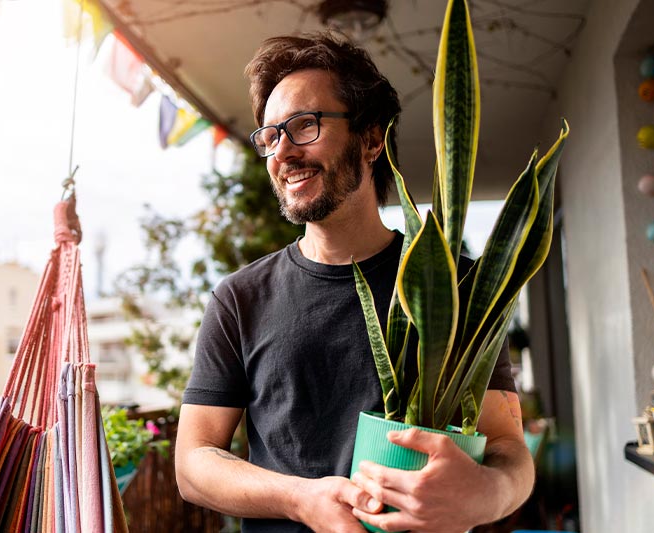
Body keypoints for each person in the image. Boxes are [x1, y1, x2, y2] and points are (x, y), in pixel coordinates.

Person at [175, 33, 534, 533]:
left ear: (371, 139)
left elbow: (507, 447)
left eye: (304, 125)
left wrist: (487, 493)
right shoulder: (240, 298)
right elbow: (194, 463)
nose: (283, 152)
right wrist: (301, 499)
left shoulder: (455, 288)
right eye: (271, 136)